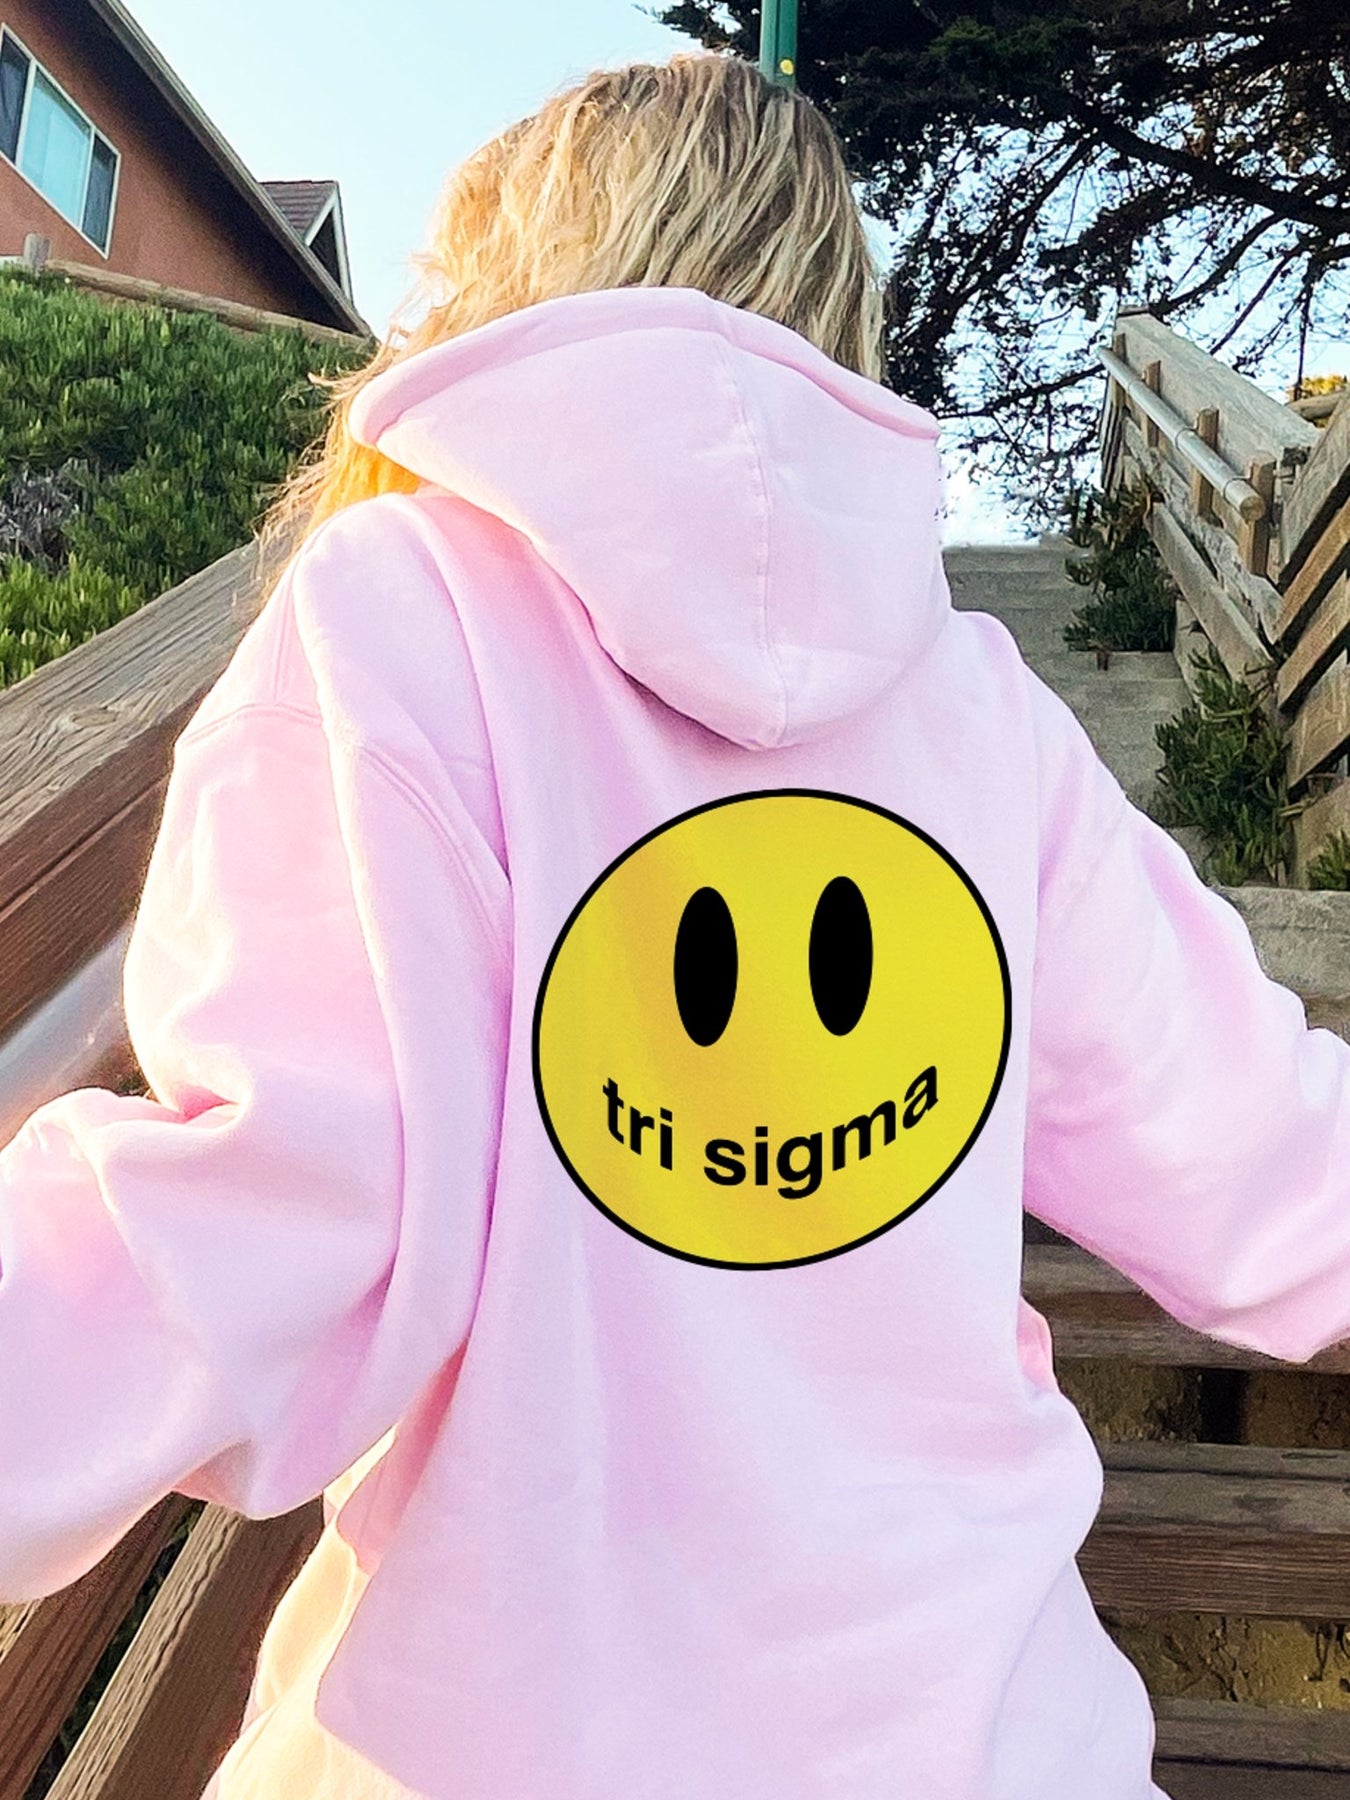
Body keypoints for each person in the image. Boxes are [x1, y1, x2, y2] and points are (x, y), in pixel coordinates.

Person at [2, 49, 1348, 1800]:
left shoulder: (399, 616)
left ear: (517, 271)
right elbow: (1258, 1159)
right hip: (991, 1738)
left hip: (511, 1742)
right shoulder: (979, 708)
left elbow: (269, 1210)